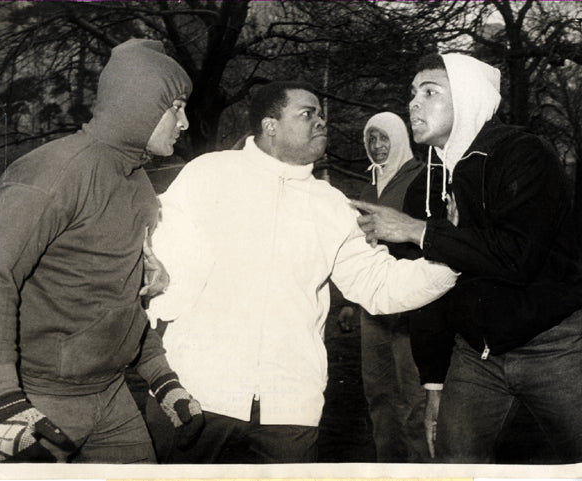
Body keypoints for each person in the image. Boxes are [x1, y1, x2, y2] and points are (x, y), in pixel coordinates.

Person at [143, 80, 458, 464]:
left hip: (290, 409)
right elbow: (153, 257)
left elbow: (380, 285)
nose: (321, 122)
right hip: (198, 393)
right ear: (269, 125)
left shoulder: (331, 204)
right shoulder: (207, 175)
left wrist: (451, 257)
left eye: (322, 114)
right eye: (308, 114)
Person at [352, 53, 582, 463]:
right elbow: (425, 287)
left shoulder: (523, 154)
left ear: (470, 98)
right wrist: (435, 383)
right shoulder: (426, 183)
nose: (414, 103)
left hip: (555, 346)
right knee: (453, 465)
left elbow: (517, 257)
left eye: (431, 91)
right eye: (412, 93)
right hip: (475, 356)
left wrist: (419, 231)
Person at [0, 38, 204, 463]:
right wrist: (2, 396)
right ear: (138, 103)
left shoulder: (139, 187)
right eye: (176, 106)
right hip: (38, 398)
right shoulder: (54, 172)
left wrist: (162, 380)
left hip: (112, 394)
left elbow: (120, 300)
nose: (185, 123)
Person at [352, 112, 431, 462]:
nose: (378, 147)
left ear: (399, 139)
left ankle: (421, 466)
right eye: (372, 140)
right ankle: (389, 465)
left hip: (411, 307)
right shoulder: (368, 188)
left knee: (415, 398)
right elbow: (358, 250)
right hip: (373, 309)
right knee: (379, 394)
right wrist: (349, 303)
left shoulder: (424, 179)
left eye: (384, 139)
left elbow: (431, 239)